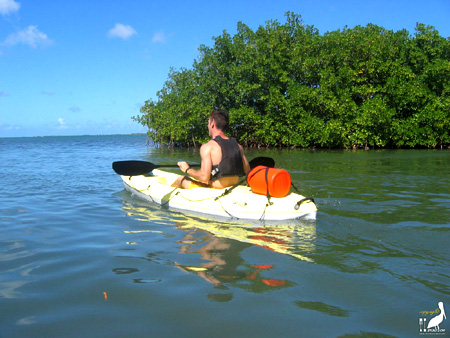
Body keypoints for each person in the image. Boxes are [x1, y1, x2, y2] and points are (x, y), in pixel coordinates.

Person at [172, 109, 250, 189]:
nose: (208, 126)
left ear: (212, 123)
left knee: (181, 179)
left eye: (208, 123)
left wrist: (187, 169)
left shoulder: (208, 147)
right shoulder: (238, 146)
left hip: (214, 191)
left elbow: (204, 177)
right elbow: (248, 172)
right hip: (233, 188)